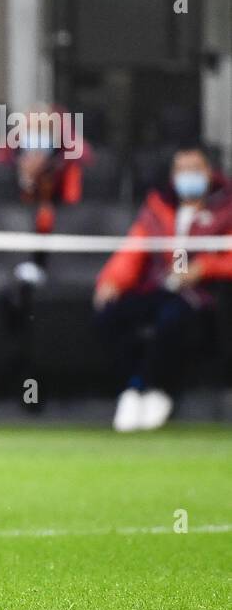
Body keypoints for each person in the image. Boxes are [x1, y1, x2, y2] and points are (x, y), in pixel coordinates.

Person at [94, 147, 232, 432]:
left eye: (195, 169)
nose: (188, 176)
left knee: (172, 321)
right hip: (159, 287)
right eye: (181, 170)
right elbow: (134, 249)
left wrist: (204, 268)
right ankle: (133, 389)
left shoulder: (225, 209)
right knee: (110, 314)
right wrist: (112, 281)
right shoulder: (159, 207)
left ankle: (158, 390)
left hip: (201, 294)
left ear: (209, 172)